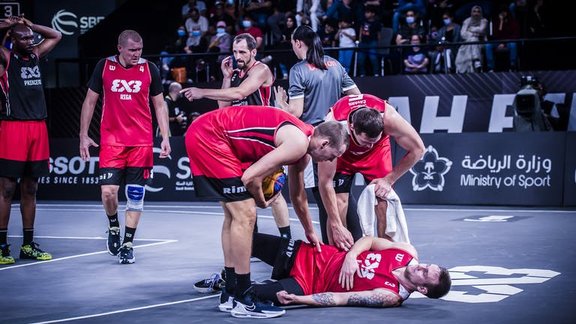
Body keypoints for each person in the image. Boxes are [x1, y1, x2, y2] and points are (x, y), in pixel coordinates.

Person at [184, 105, 349, 318]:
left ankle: (231, 291)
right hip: (211, 135)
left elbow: (298, 196)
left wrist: (310, 231)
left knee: (232, 214)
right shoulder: (298, 144)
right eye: (333, 155)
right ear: (324, 143)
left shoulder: (302, 146)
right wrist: (262, 202)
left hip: (209, 132)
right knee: (245, 214)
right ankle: (244, 298)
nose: (331, 161)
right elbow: (250, 178)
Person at [180, 32, 292, 240]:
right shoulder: (235, 74)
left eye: (242, 52)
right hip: (240, 140)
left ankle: (286, 240)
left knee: (272, 191)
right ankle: (253, 240)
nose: (237, 56)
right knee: (244, 192)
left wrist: (202, 92)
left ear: (253, 52)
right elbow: (223, 107)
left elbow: (240, 93)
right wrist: (225, 78)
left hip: (262, 138)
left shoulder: (261, 70)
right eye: (234, 51)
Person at [78, 30, 171, 264]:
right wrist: (83, 135)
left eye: (139, 50)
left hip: (141, 141)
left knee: (135, 195)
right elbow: (90, 101)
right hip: (112, 141)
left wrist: (165, 137)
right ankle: (113, 227)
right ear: (119, 48)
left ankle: (128, 243)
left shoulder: (150, 69)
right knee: (108, 192)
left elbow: (159, 105)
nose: (136, 54)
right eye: (132, 50)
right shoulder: (104, 66)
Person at [274, 24, 361, 250]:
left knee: (324, 196)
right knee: (342, 192)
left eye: (292, 43)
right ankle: (358, 244)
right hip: (339, 136)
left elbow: (296, 111)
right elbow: (357, 97)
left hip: (316, 141)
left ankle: (331, 251)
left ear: (298, 43)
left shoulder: (298, 70)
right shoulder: (335, 64)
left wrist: (280, 106)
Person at [319, 94, 425, 245]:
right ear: (352, 127)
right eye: (365, 141)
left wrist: (389, 179)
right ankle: (339, 254)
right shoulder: (333, 127)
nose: (368, 146)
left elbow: (418, 149)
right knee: (338, 203)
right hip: (343, 153)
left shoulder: (390, 118)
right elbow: (326, 182)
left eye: (372, 141)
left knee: (383, 200)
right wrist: (336, 225)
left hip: (377, 153)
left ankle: (385, 254)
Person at [0, 16, 62, 264]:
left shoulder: (35, 55)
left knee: (31, 188)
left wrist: (30, 25)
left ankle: (27, 244)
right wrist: (6, 26)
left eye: (30, 37)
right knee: (6, 189)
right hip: (13, 126)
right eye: (23, 37)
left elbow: (57, 35)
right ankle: (2, 246)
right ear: (12, 40)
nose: (30, 40)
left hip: (38, 128)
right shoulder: (5, 59)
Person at [249, 232, 451, 307]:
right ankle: (231, 273)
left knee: (250, 294)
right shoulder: (407, 252)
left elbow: (340, 299)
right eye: (427, 265)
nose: (422, 266)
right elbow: (369, 240)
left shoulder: (390, 296)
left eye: (425, 273)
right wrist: (351, 257)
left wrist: (299, 300)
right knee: (250, 242)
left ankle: (226, 282)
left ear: (423, 289)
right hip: (315, 254)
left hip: (308, 285)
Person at [455, 5, 488, 73]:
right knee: (473, 40)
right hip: (468, 42)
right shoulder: (467, 21)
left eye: (478, 12)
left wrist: (471, 29)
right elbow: (463, 34)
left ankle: (476, 61)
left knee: (474, 40)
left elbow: (481, 30)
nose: (476, 13)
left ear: (481, 13)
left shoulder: (484, 21)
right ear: (471, 13)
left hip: (481, 42)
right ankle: (476, 61)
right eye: (474, 11)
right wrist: (474, 34)